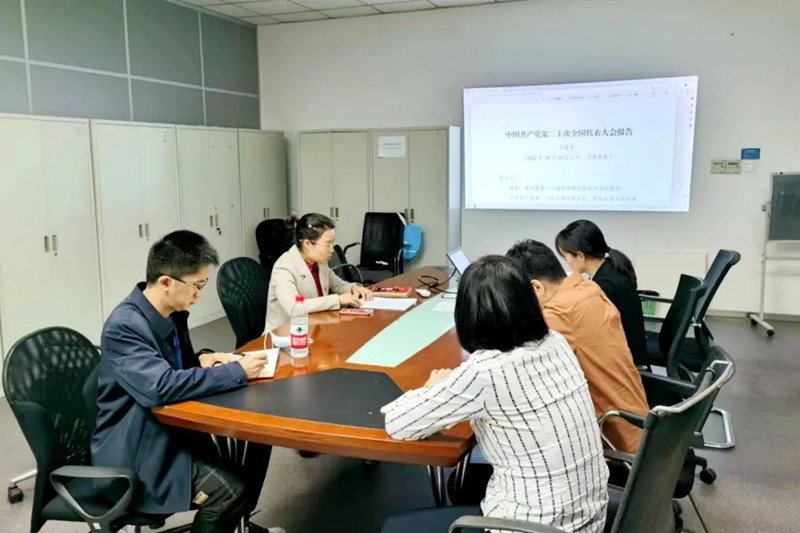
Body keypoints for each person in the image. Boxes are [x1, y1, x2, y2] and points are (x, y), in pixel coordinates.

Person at [382, 256, 608, 533]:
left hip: (534, 527)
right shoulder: (556, 342)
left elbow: (399, 423)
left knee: (395, 527)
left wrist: (430, 389)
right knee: (465, 484)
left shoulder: (486, 371)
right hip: (590, 519)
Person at [92, 230, 276, 533]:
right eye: (197, 286)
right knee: (229, 492)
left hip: (168, 427)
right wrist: (237, 371)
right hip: (138, 448)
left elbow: (169, 366)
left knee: (254, 448)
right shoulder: (125, 326)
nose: (200, 295)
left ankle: (236, 524)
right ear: (166, 282)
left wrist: (201, 359)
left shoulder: (170, 313)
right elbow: (160, 386)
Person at [506, 240, 648, 454]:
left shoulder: (559, 313)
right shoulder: (588, 288)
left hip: (613, 442)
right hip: (641, 425)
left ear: (537, 288)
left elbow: (516, 370)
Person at [555, 220, 648, 366]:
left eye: (565, 255)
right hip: (628, 350)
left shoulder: (604, 287)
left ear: (580, 256)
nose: (566, 261)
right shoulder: (611, 268)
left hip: (625, 363)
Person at [264, 212, 373, 333]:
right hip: (285, 335)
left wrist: (353, 288)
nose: (332, 250)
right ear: (307, 244)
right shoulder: (284, 267)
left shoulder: (319, 262)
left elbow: (338, 285)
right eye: (328, 244)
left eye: (333, 243)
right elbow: (295, 308)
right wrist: (337, 300)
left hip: (314, 328)